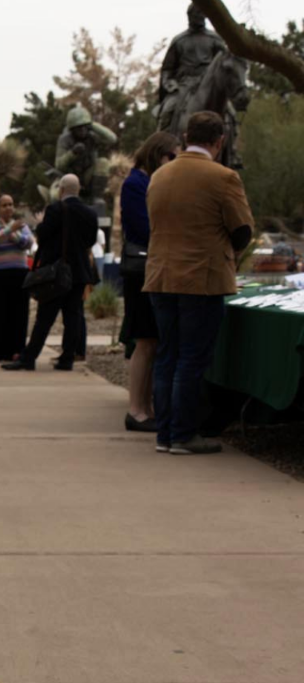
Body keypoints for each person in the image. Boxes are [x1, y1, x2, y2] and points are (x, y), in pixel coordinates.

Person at [145, 111, 253, 455]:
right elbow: (242, 231)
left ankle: (164, 434)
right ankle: (183, 434)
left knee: (167, 356)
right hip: (201, 280)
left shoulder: (159, 176)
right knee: (191, 359)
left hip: (160, 277)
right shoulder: (223, 178)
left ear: (186, 136)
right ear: (219, 142)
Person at [3, 175, 97, 372]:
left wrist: (40, 223)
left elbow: (43, 236)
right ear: (78, 190)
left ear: (61, 189)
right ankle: (67, 359)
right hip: (79, 272)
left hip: (56, 272)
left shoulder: (55, 209)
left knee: (45, 317)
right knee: (73, 316)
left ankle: (29, 358)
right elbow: (90, 241)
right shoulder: (90, 213)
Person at [120, 131, 181, 432]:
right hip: (141, 270)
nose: (174, 163)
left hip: (147, 269)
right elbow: (143, 228)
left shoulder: (142, 182)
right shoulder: (135, 184)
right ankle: (136, 409)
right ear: (158, 154)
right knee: (144, 341)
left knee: (150, 341)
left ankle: (144, 407)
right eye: (172, 157)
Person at [157, 4, 226, 135]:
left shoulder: (215, 39)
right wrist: (169, 83)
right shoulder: (179, 40)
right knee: (168, 109)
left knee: (230, 113)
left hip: (209, 84)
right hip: (183, 85)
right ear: (189, 16)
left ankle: (231, 150)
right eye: (195, 14)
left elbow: (225, 64)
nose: (198, 16)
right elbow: (167, 68)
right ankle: (162, 144)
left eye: (200, 13)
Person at [0, 194, 33, 362]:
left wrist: (11, 234)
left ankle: (16, 350)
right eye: (4, 205)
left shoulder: (22, 226)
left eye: (10, 204)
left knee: (18, 313)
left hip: (19, 274)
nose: (8, 208)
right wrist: (10, 230)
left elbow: (28, 243)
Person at [55, 106, 117, 205]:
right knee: (54, 196)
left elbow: (112, 139)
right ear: (72, 129)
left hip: (88, 175)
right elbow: (59, 165)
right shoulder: (65, 139)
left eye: (85, 126)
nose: (82, 130)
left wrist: (92, 125)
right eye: (79, 128)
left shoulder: (92, 136)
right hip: (69, 176)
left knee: (103, 162)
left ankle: (97, 196)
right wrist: (73, 153)